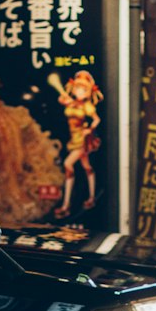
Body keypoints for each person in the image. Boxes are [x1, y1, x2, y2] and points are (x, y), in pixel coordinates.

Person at [48, 69, 102, 219]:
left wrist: (89, 129)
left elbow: (97, 119)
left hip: (82, 140)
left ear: (88, 91)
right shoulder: (71, 103)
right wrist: (64, 99)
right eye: (77, 88)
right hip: (74, 139)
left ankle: (66, 205)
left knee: (68, 164)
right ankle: (91, 198)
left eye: (83, 89)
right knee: (86, 167)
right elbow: (62, 100)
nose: (79, 91)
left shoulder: (87, 107)